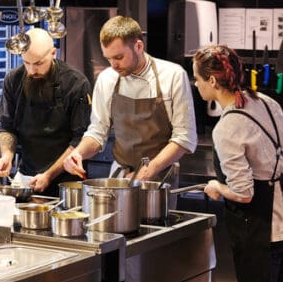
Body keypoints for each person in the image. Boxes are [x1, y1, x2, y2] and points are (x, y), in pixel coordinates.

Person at [192, 45, 283, 282]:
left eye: (197, 78)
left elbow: (243, 193)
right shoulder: (267, 102)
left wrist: (217, 187)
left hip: (263, 230)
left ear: (212, 80)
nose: (196, 84)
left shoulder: (227, 127)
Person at [63, 15, 197, 200]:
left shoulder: (172, 75)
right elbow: (97, 132)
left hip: (158, 179)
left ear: (139, 46)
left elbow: (185, 138)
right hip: (120, 177)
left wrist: (146, 173)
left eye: (119, 57)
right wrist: (78, 153)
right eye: (108, 58)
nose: (113, 65)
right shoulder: (107, 78)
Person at [0, 28, 92, 196]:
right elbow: (7, 127)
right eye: (26, 63)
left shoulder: (75, 83)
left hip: (66, 182)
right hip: (26, 177)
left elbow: (79, 140)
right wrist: (7, 156)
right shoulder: (13, 80)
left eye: (38, 63)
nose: (32, 70)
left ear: (53, 53)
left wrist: (48, 175)